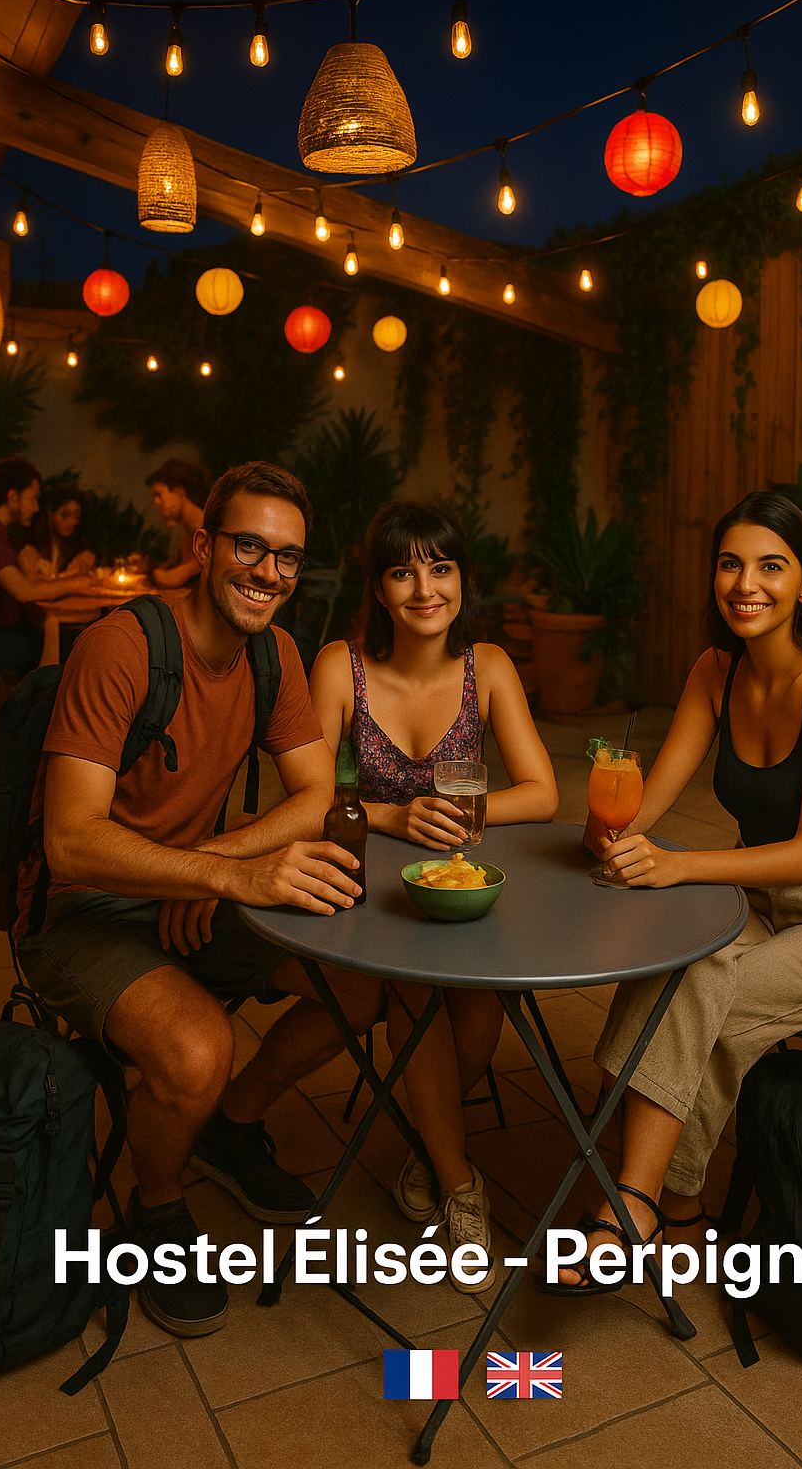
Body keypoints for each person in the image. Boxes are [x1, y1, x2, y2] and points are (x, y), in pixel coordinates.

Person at [15, 460, 385, 1338]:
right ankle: (158, 1203)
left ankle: (231, 1125)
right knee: (194, 1050)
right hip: (79, 910)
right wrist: (221, 875)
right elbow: (70, 839)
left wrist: (211, 858)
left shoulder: (275, 654)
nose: (268, 573)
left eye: (287, 558)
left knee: (363, 984)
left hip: (183, 883)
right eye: (249, 547)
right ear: (203, 545)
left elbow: (310, 797)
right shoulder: (124, 645)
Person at [547, 490, 802, 1292]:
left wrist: (680, 865)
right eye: (730, 564)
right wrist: (610, 822)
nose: (746, 583)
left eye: (771, 567)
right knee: (667, 956)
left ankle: (635, 1200)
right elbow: (647, 803)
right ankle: (674, 1208)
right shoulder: (716, 671)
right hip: (762, 902)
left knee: (704, 975)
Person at [310, 501, 559, 1289]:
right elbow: (310, 796)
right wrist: (388, 814)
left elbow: (543, 792)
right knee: (419, 997)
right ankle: (461, 1186)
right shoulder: (338, 667)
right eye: (402, 570)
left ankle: (426, 1149)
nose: (425, 588)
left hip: (459, 890)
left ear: (462, 580)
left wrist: (462, 816)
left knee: (482, 1002)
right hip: (365, 894)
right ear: (379, 589)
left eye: (440, 568)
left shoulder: (489, 666)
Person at [0, 457, 95, 672]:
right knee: (64, 647)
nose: (36, 507)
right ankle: (39, 704)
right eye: (33, 499)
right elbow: (23, 591)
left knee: (61, 637)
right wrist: (78, 583)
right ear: (13, 497)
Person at [145, 458, 210, 588]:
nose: (156, 503)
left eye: (159, 494)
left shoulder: (209, 532)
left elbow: (176, 579)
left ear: (179, 491)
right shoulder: (186, 533)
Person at [17, 482, 96, 581]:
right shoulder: (31, 547)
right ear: (50, 514)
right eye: (65, 514)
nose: (72, 522)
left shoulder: (74, 546)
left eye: (77, 516)